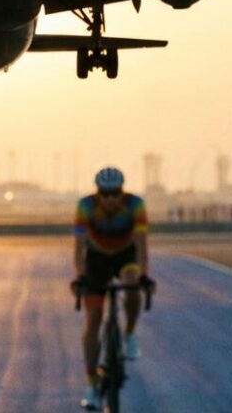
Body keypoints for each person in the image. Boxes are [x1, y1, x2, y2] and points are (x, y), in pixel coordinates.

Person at [72, 166, 152, 410]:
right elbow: (78, 249)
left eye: (114, 193)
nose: (109, 199)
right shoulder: (85, 206)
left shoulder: (135, 205)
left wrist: (144, 276)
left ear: (122, 193)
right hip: (96, 259)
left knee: (131, 283)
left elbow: (141, 246)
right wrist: (81, 277)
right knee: (94, 317)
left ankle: (128, 334)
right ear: (97, 193)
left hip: (125, 254)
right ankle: (92, 384)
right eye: (104, 194)